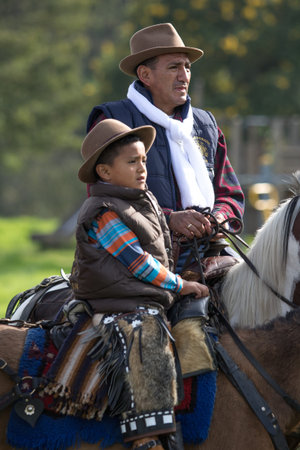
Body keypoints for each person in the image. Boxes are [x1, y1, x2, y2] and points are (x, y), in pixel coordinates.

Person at [69, 118, 209, 449]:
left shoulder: (140, 202)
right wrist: (179, 284)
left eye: (143, 159)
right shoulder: (103, 211)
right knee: (145, 341)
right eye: (132, 162)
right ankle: (145, 437)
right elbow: (137, 262)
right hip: (120, 305)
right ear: (104, 172)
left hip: (144, 299)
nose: (142, 168)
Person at [87, 22, 245, 272]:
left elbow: (230, 194)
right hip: (138, 255)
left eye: (187, 67)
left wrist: (219, 217)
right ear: (145, 75)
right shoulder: (113, 121)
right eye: (174, 67)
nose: (184, 76)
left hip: (210, 252)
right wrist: (170, 219)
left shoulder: (206, 125)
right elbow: (104, 198)